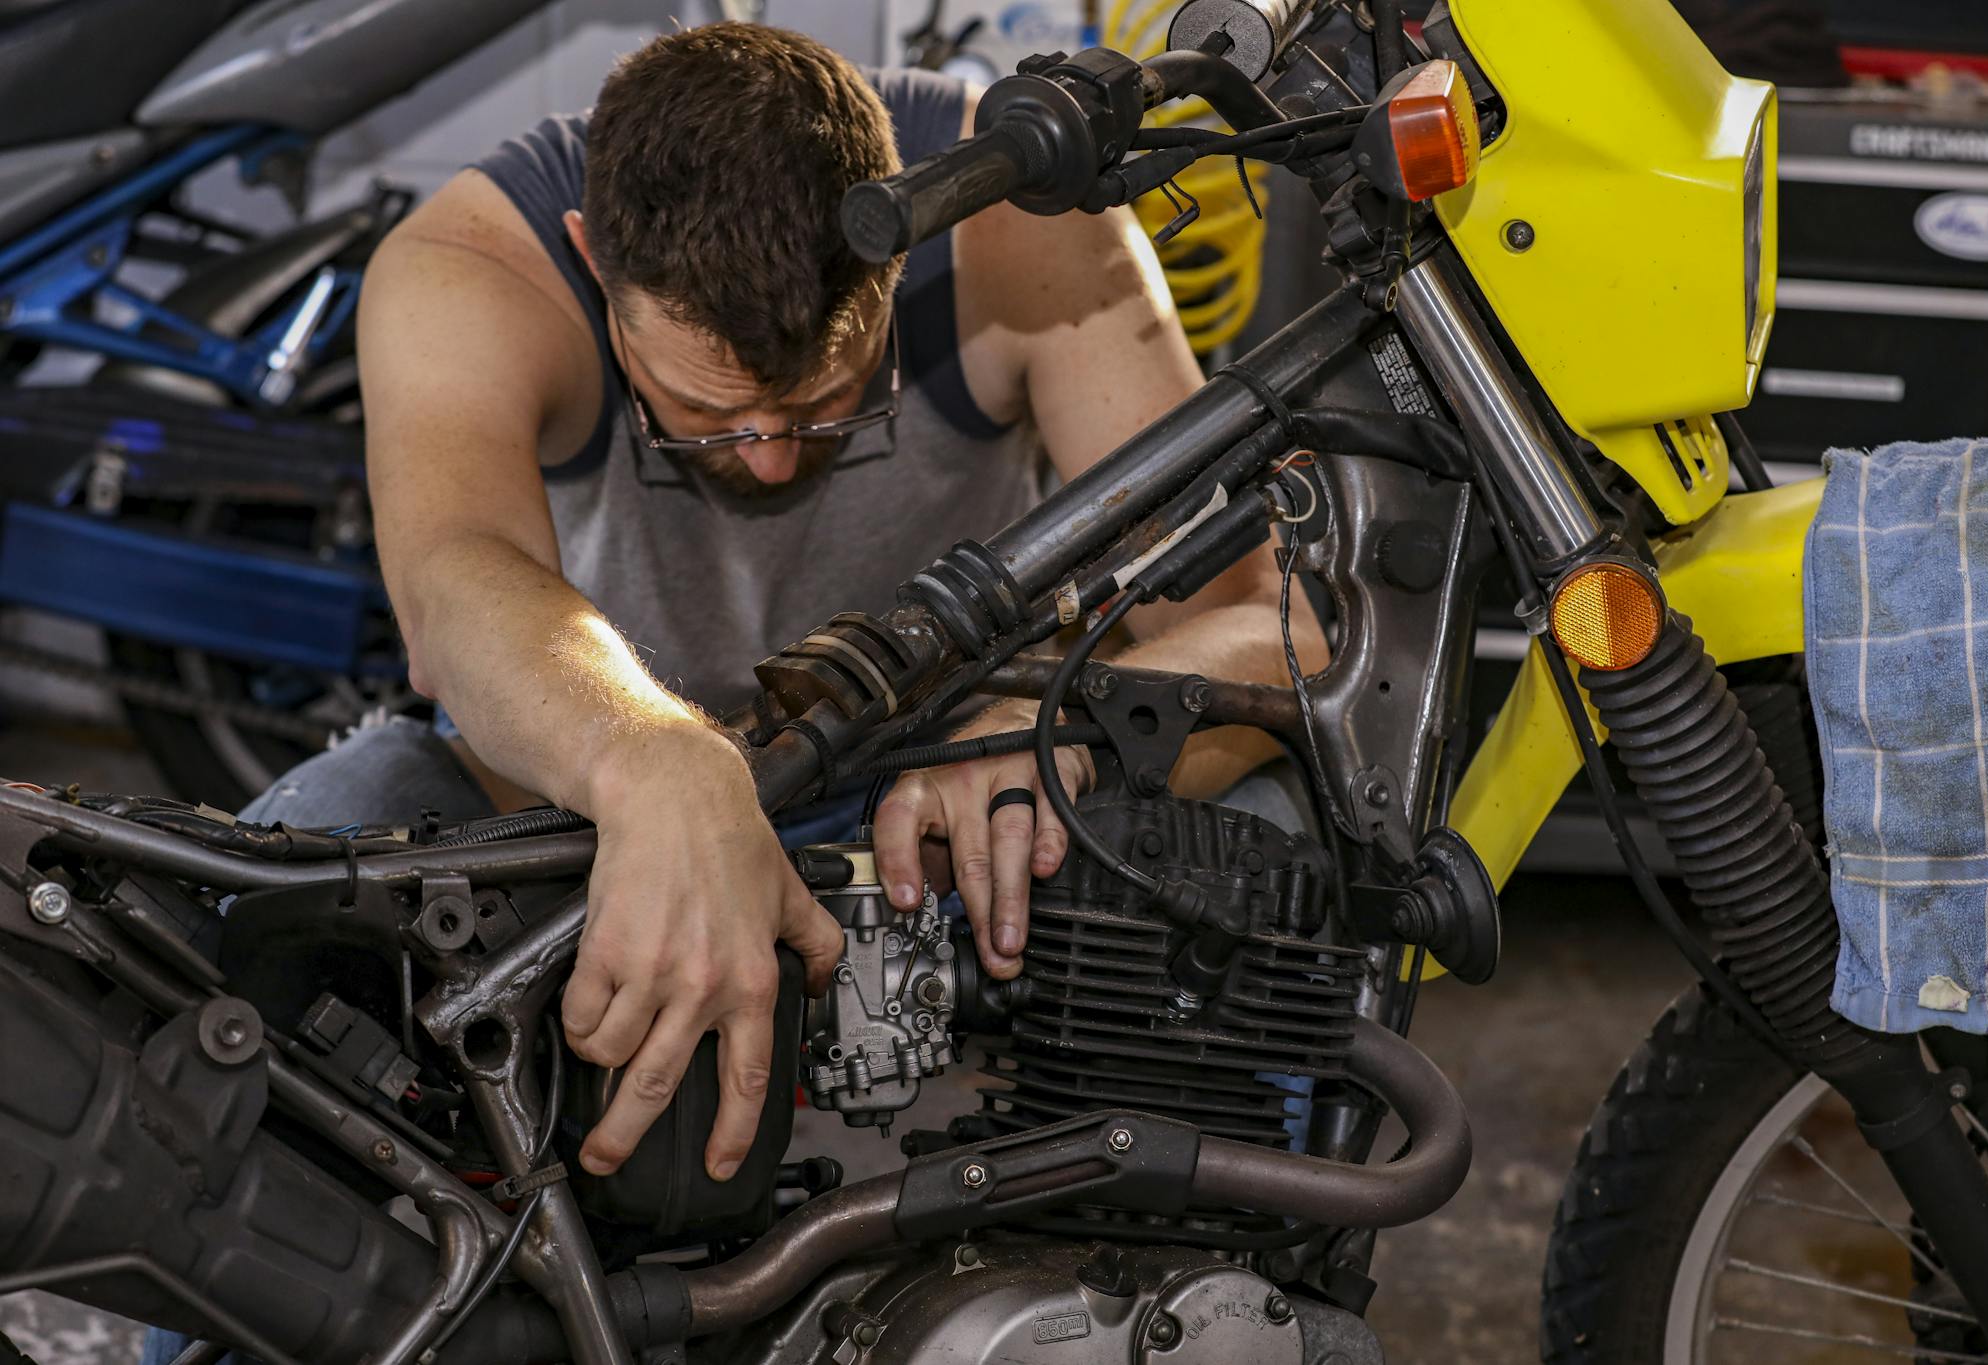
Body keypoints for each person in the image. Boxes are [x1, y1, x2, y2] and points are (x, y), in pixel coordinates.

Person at [289, 22, 1323, 1188]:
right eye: (707, 411)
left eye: (830, 404)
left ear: (902, 259)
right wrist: (655, 760)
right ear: (591, 260)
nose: (772, 461)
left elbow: (1271, 629)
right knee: (280, 898)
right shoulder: (475, 263)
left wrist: (1065, 739)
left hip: (939, 796)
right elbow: (452, 581)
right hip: (583, 789)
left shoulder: (1016, 211)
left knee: (1259, 835)